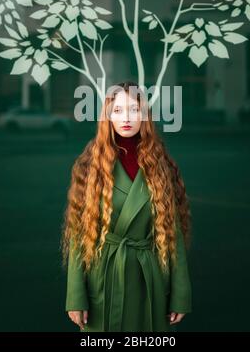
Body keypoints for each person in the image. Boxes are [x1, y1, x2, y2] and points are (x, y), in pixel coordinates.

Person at [61, 81, 192, 332]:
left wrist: (180, 294)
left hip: (150, 279)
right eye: (118, 110)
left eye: (134, 110)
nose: (127, 118)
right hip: (104, 279)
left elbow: (172, 232)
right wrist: (76, 297)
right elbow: (79, 232)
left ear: (145, 116)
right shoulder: (90, 164)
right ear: (107, 116)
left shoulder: (160, 162)